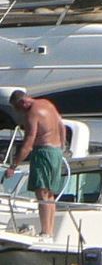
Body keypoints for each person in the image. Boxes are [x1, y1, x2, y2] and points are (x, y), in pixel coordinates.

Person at [9, 90, 65, 236]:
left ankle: (45, 232)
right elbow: (61, 125)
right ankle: (49, 231)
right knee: (50, 193)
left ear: (22, 102)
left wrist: (13, 166)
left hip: (43, 152)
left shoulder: (31, 114)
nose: (19, 112)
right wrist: (62, 147)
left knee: (42, 193)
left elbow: (28, 143)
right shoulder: (47, 104)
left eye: (17, 108)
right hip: (56, 152)